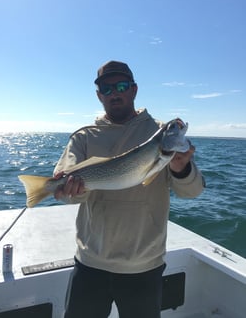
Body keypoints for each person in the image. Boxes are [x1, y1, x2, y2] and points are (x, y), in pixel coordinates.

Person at [54, 60, 204, 318]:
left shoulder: (158, 133)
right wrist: (68, 190)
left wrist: (181, 168)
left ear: (134, 90)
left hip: (144, 266)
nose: (115, 93)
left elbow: (192, 192)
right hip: (91, 262)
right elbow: (68, 196)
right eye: (107, 88)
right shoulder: (84, 137)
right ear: (99, 94)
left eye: (121, 86)